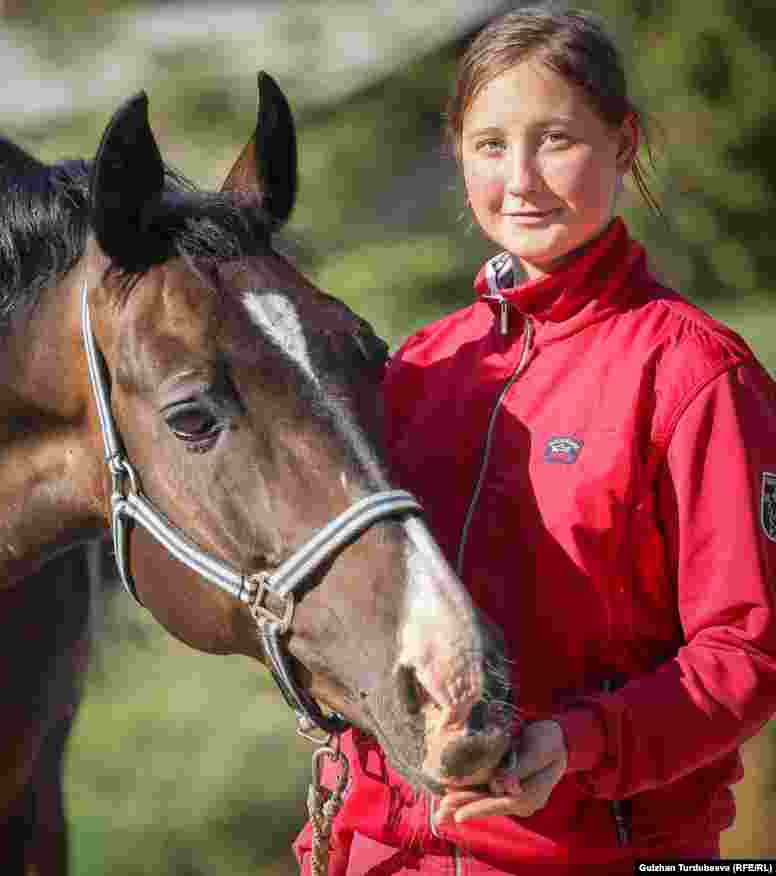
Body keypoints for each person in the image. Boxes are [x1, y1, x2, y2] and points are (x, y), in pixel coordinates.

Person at [294, 5, 776, 874]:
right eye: (489, 145)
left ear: (624, 145)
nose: (522, 179)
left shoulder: (698, 375)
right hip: (380, 851)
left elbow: (744, 653)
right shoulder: (422, 366)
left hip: (593, 852)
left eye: (556, 139)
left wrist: (581, 743)